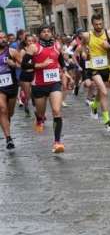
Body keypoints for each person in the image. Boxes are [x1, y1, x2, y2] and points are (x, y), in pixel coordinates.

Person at [27, 25, 71, 153]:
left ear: (52, 33)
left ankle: (57, 142)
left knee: (57, 111)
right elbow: (24, 64)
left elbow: (61, 61)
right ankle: (39, 118)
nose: (46, 34)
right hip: (39, 85)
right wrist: (40, 65)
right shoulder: (34, 47)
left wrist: (65, 71)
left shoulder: (57, 46)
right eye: (43, 32)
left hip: (54, 83)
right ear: (39, 34)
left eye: (48, 31)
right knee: (41, 113)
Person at [81, 14, 110, 132]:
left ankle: (94, 105)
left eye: (100, 24)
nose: (99, 26)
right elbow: (82, 46)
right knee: (103, 91)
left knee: (102, 94)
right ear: (92, 24)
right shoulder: (87, 35)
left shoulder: (109, 34)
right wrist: (83, 53)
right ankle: (107, 122)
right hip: (94, 67)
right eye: (96, 24)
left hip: (107, 67)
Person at [0, 32, 21, 151]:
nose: (2, 40)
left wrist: (14, 64)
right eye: (0, 38)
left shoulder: (12, 52)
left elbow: (23, 64)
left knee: (9, 112)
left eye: (4, 38)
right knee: (2, 109)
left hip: (11, 86)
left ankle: (5, 124)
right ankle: (8, 138)